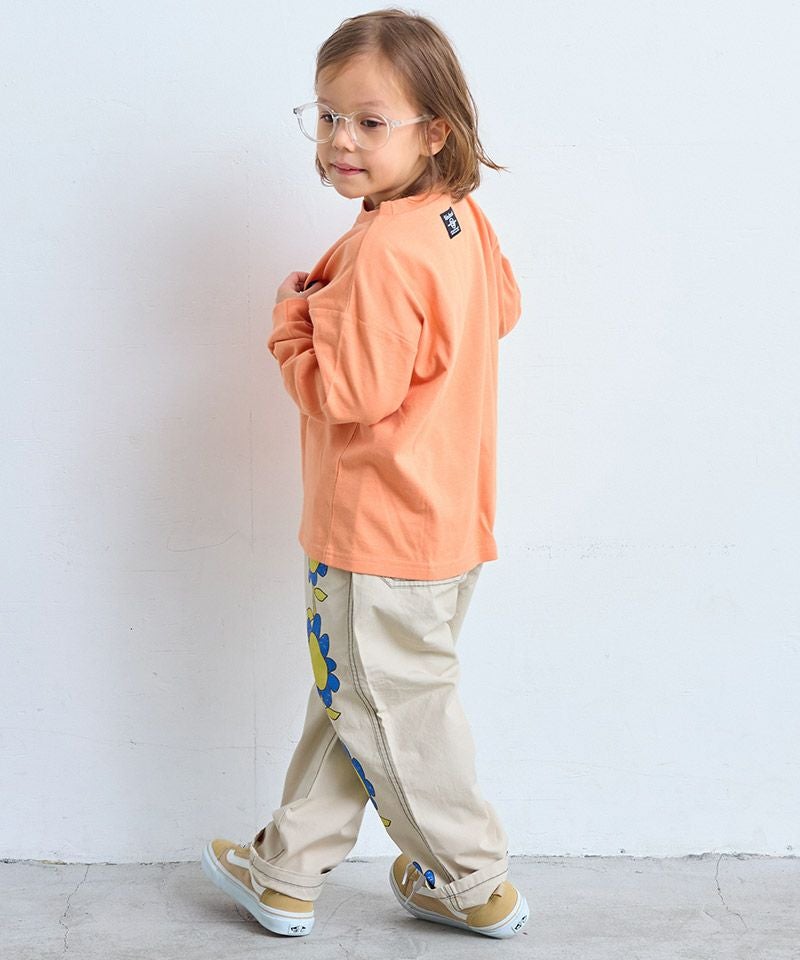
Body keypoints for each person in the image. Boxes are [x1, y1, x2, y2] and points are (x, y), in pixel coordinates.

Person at [201, 7, 527, 940]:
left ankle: (471, 879)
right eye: (328, 116)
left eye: (370, 122)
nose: (341, 140)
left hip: (374, 534)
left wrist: (292, 324)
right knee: (357, 698)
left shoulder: (382, 248)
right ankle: (287, 871)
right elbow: (501, 310)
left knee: (394, 712)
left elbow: (344, 395)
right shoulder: (457, 220)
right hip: (445, 519)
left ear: (436, 131)